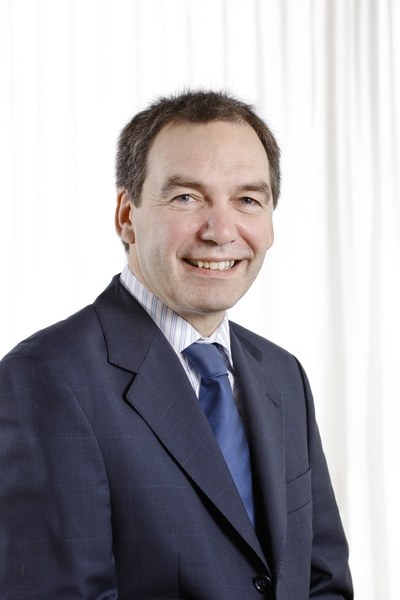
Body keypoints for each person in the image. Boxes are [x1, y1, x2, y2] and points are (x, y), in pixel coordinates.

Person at [0, 90, 353, 599]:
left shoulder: (281, 375)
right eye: (187, 197)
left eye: (248, 200)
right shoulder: (48, 378)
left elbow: (323, 583)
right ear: (127, 215)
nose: (221, 231)